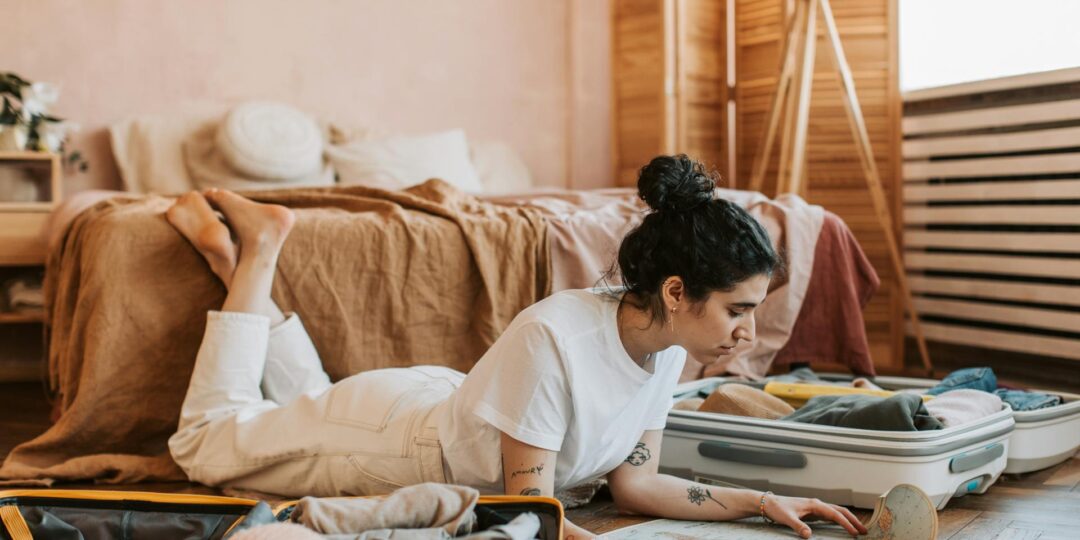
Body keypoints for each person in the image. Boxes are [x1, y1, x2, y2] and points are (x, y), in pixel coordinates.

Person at [167, 155, 866, 539]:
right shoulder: (556, 337)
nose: (748, 333)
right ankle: (259, 250)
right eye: (738, 310)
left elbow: (635, 483)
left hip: (443, 409)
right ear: (678, 291)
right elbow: (525, 506)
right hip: (391, 443)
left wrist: (761, 499)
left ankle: (237, 268)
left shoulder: (667, 347)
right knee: (204, 444)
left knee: (297, 405)